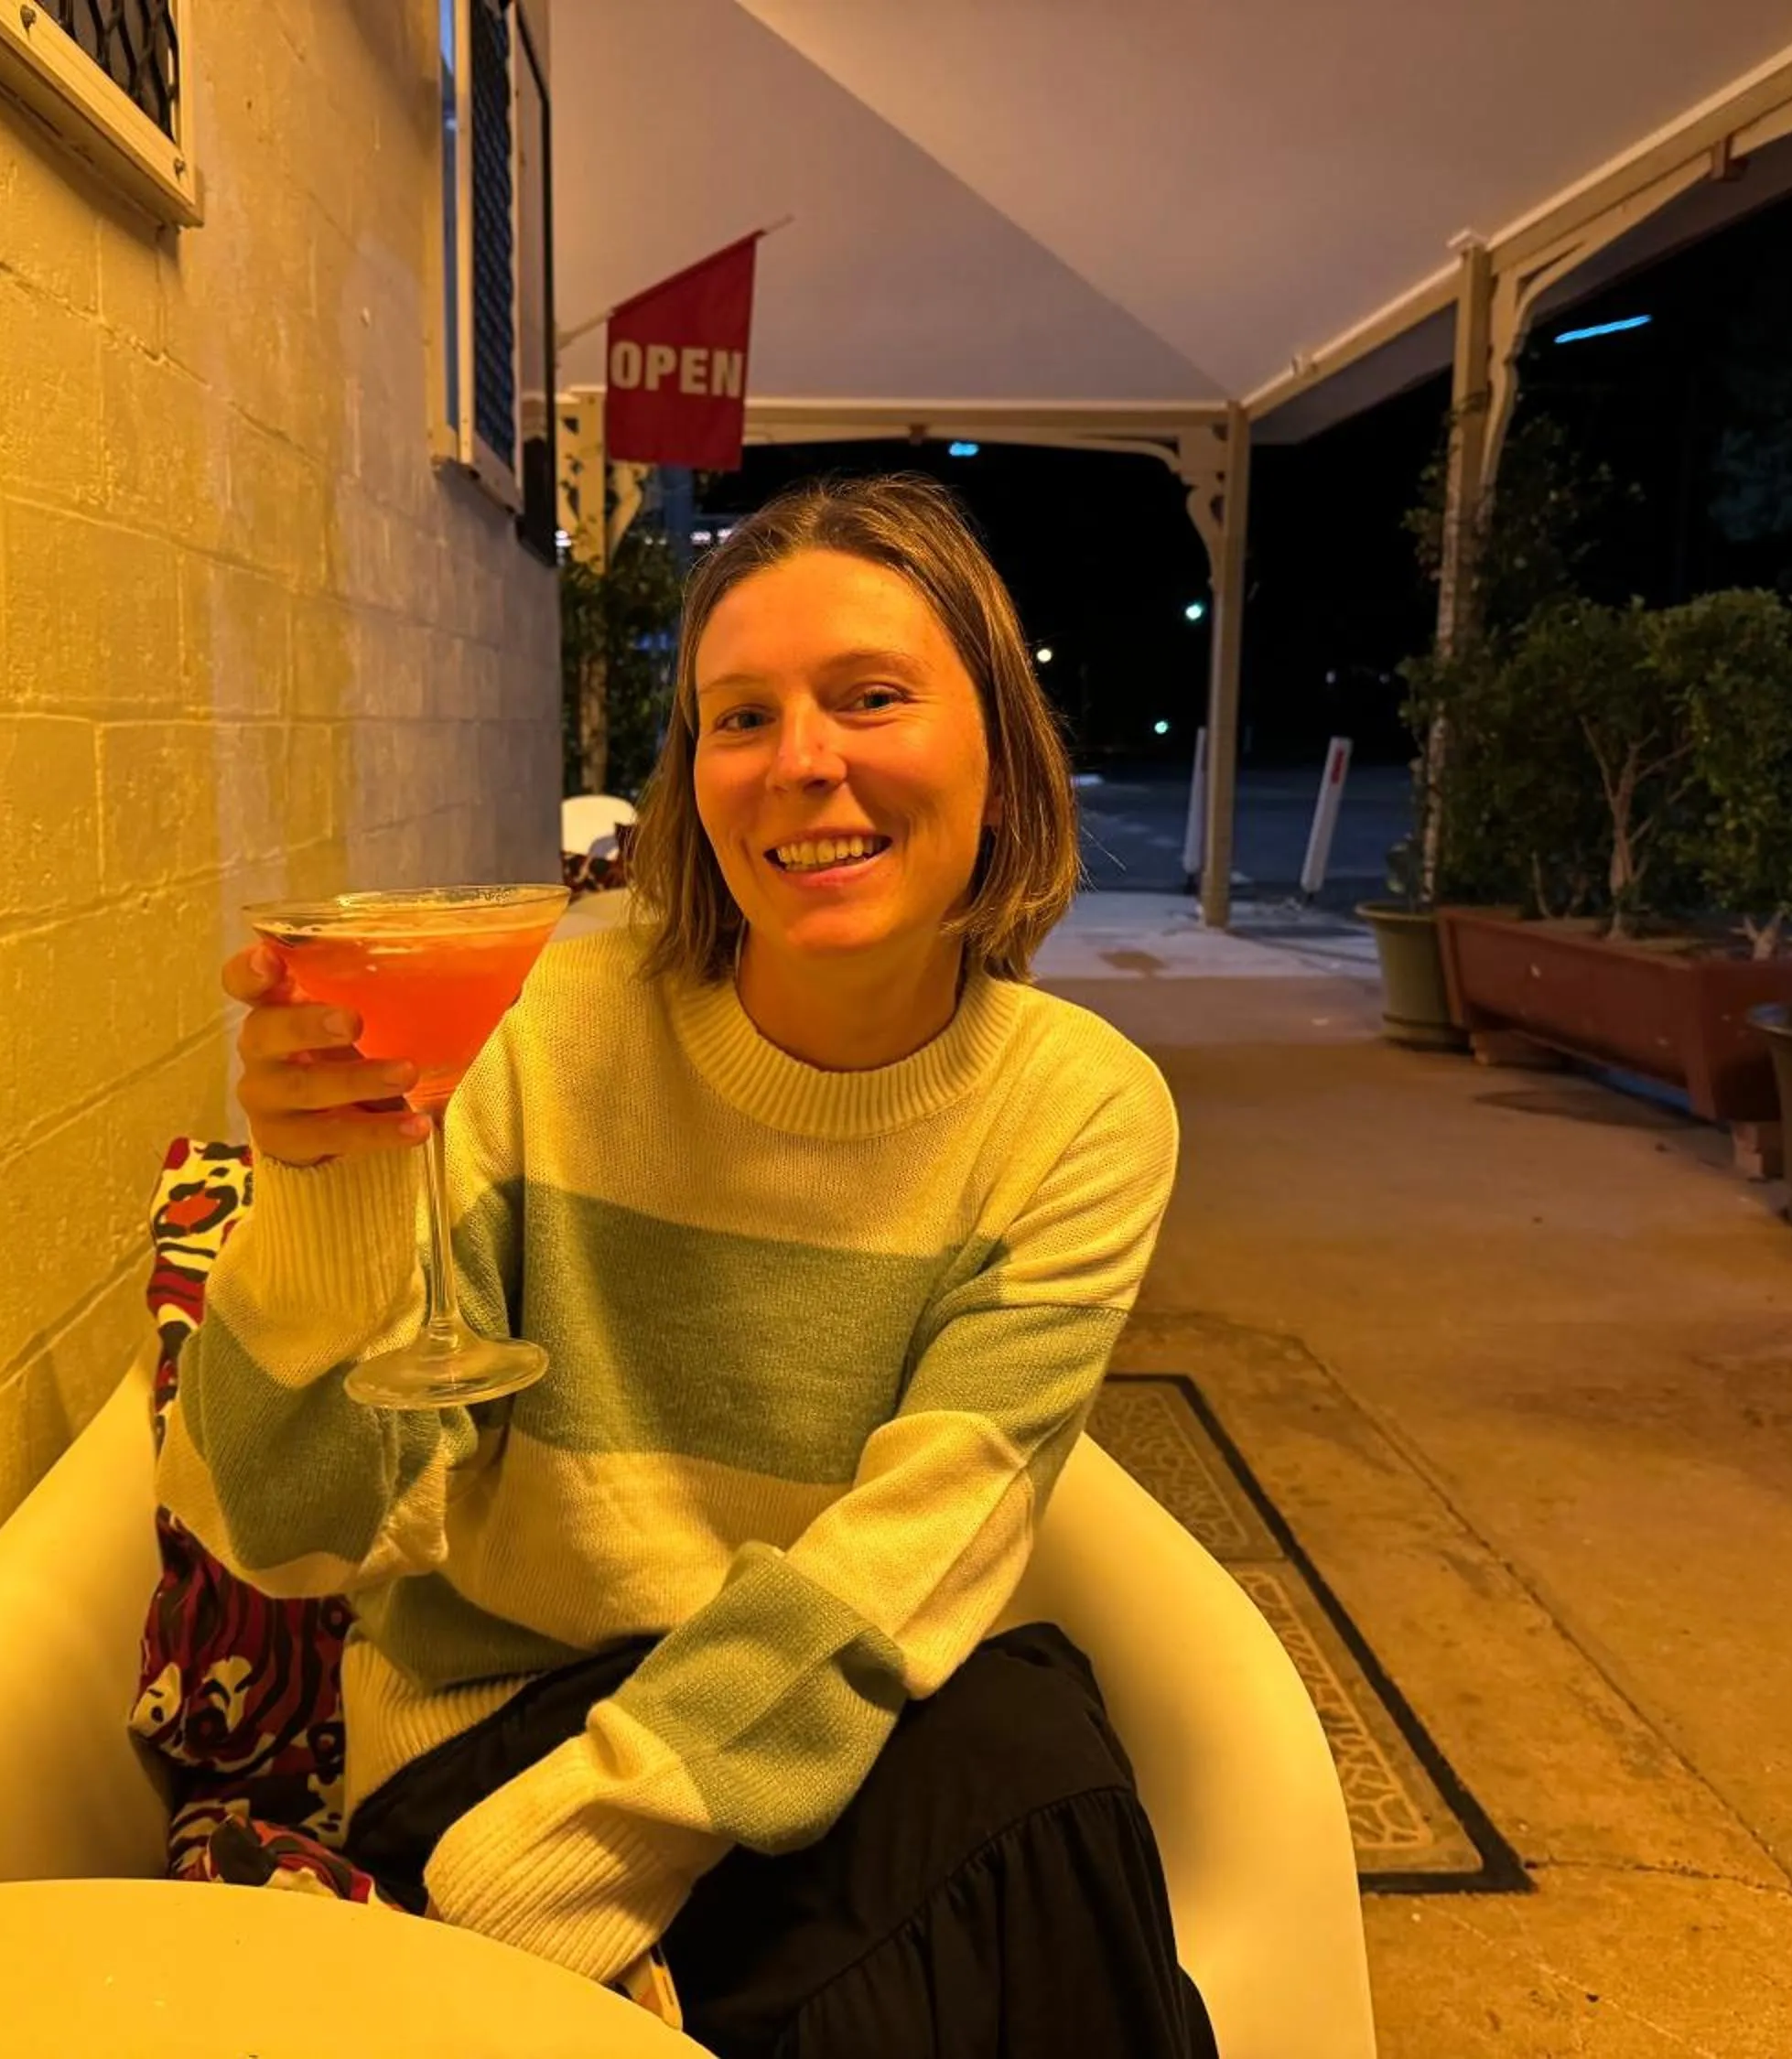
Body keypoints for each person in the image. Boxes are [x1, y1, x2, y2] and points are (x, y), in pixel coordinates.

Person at [158, 475, 1209, 2057]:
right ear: (692, 782)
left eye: (870, 698)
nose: (805, 763)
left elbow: (904, 1564)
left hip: (757, 1746)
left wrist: (591, 1853)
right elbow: (291, 1538)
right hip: (490, 1736)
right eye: (740, 717)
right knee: (1018, 1803)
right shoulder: (545, 1031)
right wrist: (327, 1192)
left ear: (999, 759)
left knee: (1028, 1743)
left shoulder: (1081, 1112)